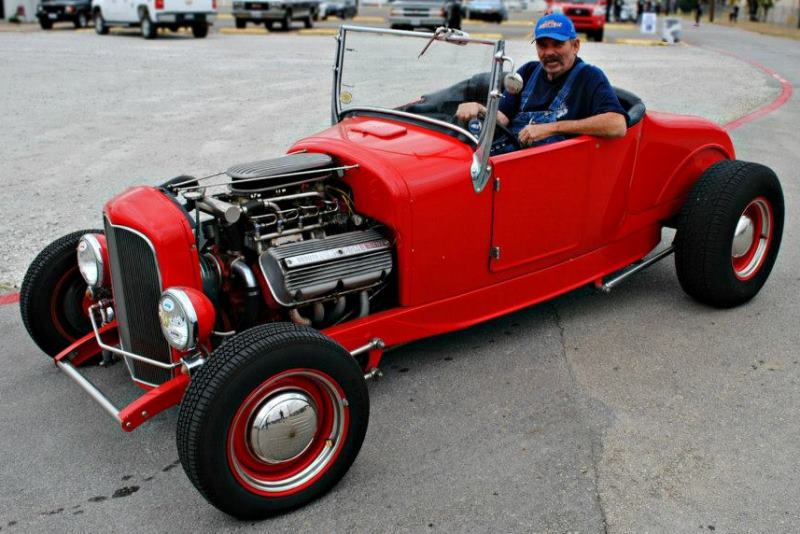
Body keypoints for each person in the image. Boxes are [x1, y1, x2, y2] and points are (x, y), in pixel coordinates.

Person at [455, 13, 627, 148]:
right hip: (514, 156)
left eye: (558, 44)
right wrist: (479, 109)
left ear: (575, 46)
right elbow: (502, 118)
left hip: (556, 168)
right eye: (542, 45)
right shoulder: (528, 71)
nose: (549, 52)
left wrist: (551, 128)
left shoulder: (590, 77)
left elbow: (617, 125)